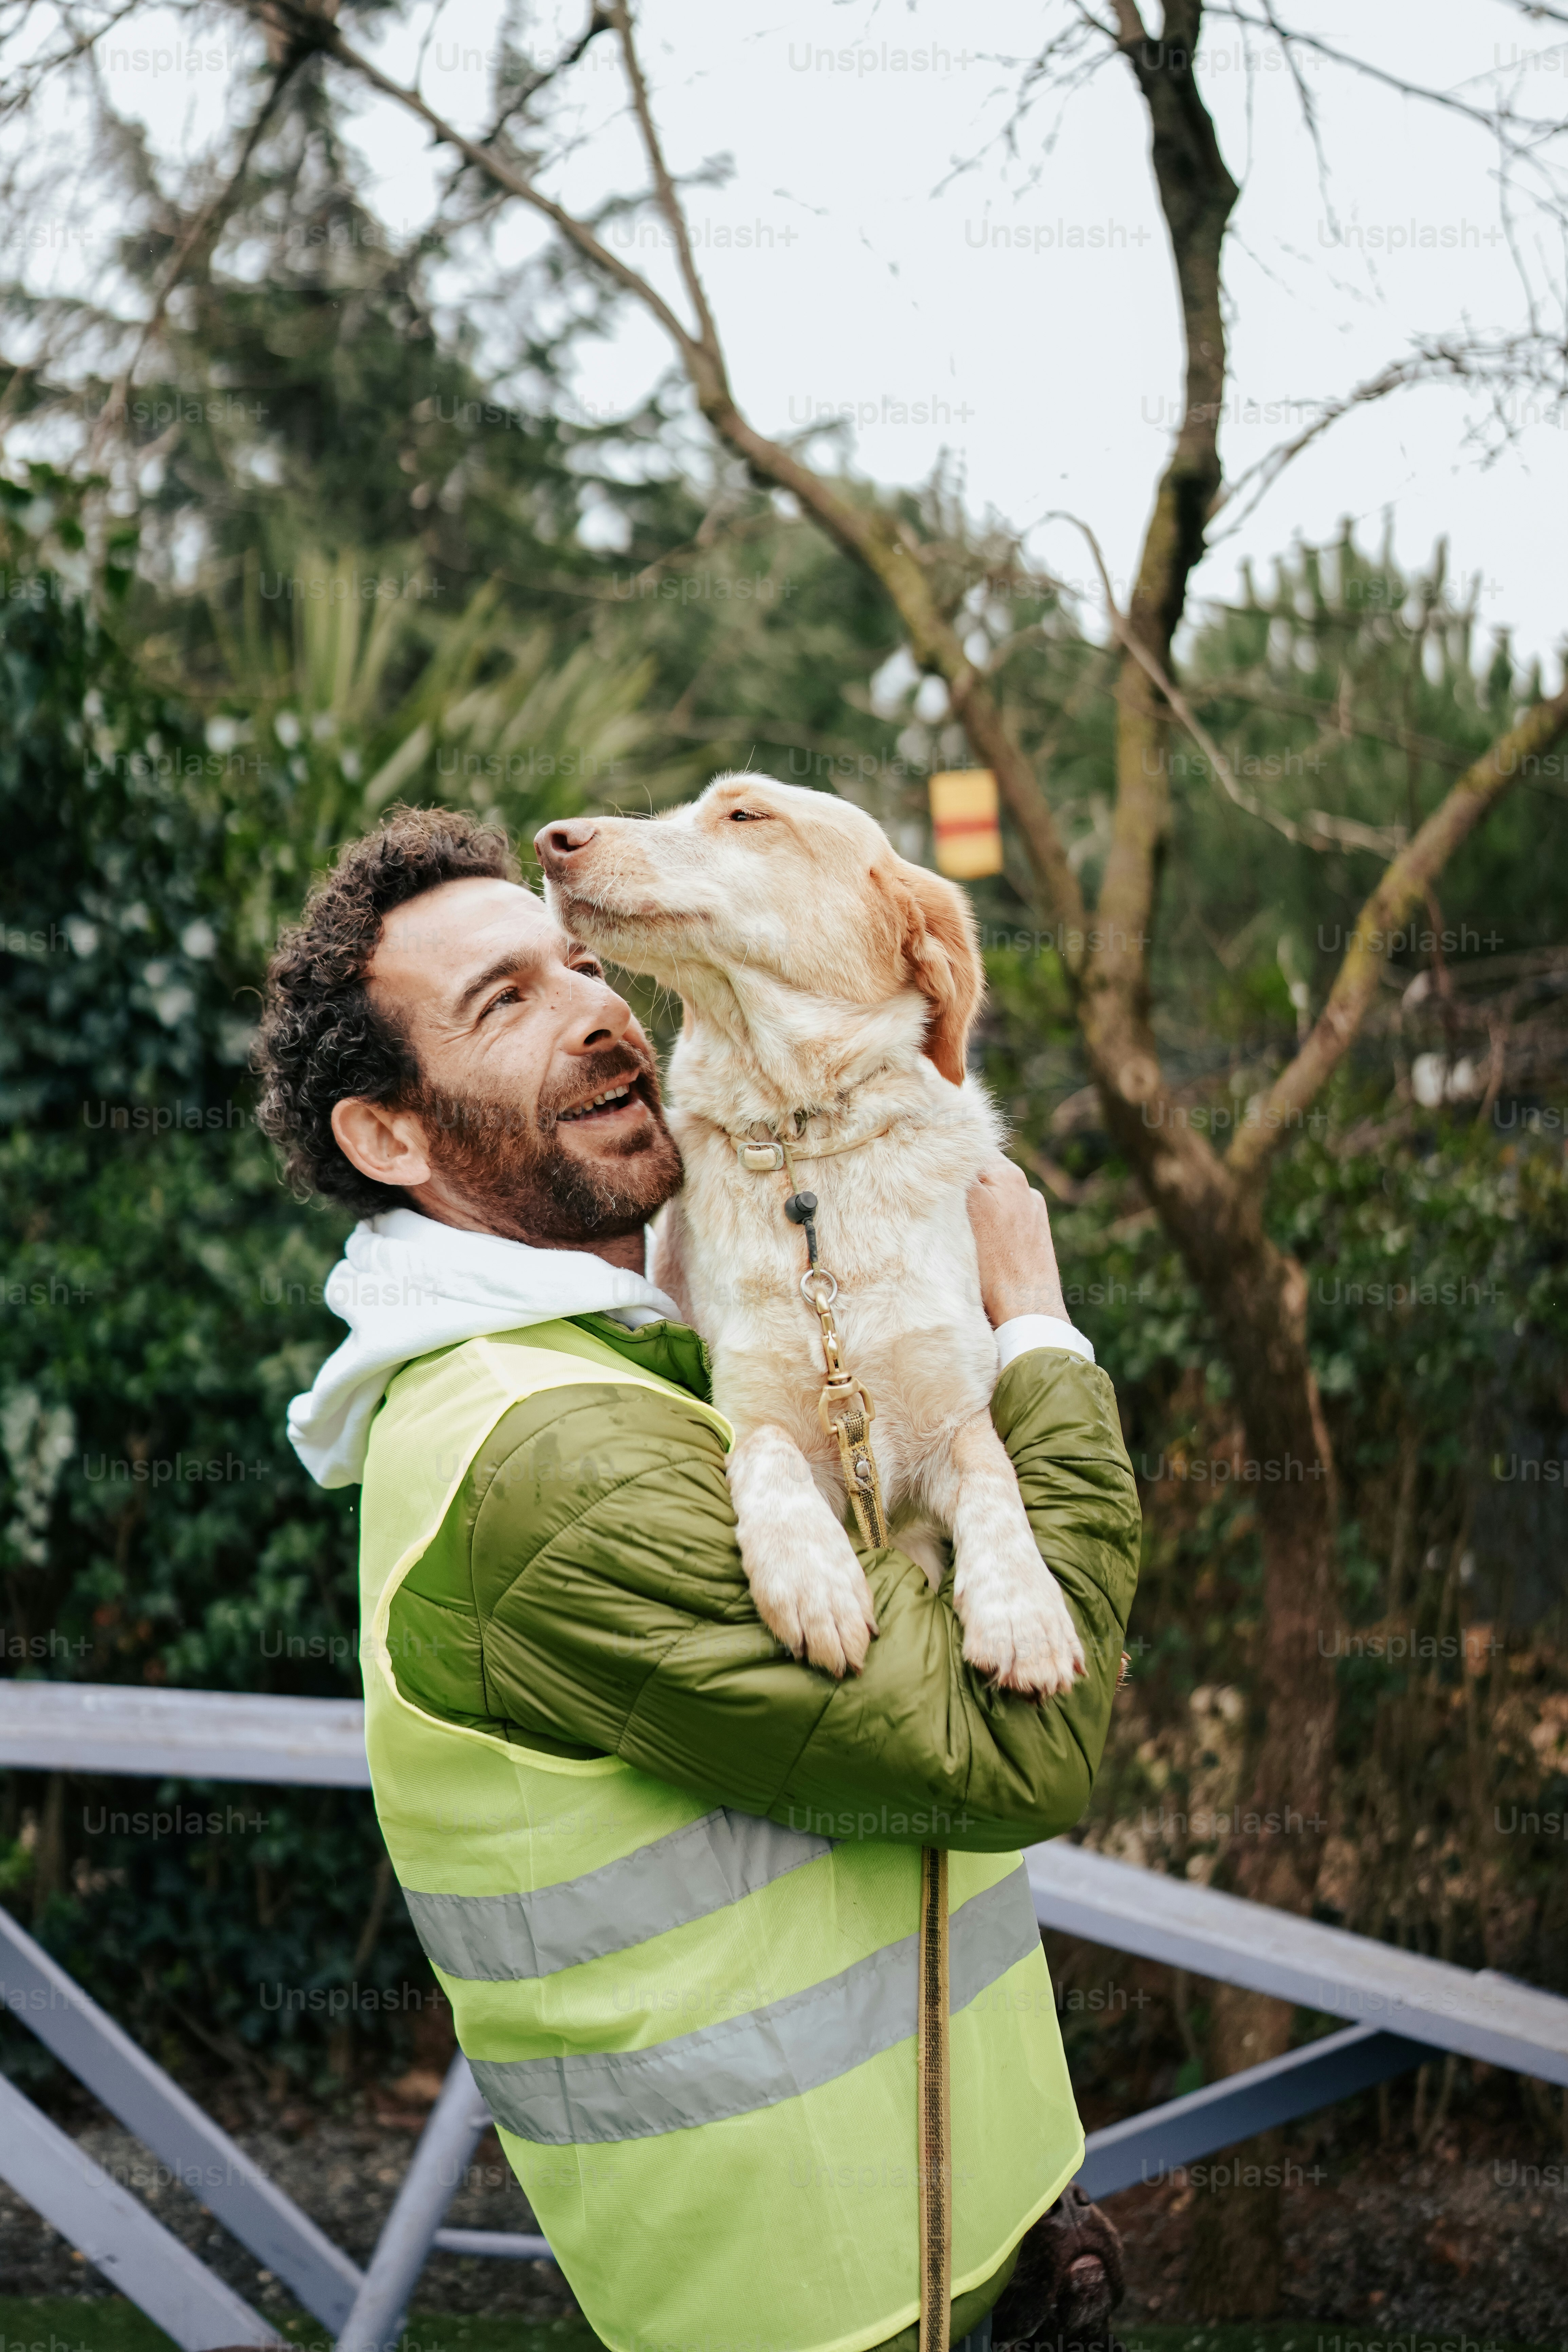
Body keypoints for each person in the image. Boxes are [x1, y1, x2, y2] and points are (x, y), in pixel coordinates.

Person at [260, 806, 1140, 2352]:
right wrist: (1040, 1338)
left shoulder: (648, 1349)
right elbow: (1024, 1745)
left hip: (989, 2252)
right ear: (389, 1138)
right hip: (823, 2315)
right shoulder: (547, 1461)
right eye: (505, 1002)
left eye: (583, 966)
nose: (600, 1011)